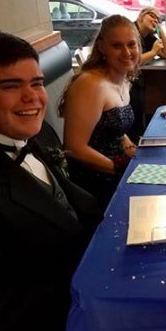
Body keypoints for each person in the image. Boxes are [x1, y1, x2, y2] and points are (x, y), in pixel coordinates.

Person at [0, 31, 102, 331]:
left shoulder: (32, 138)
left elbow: (74, 207)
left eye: (37, 83)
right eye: (10, 86)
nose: (32, 97)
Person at [59, 15, 141, 211]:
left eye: (131, 44)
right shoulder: (90, 84)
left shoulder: (124, 78)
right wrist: (120, 168)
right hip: (93, 182)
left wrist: (135, 154)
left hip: (115, 168)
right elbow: (74, 148)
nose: (126, 52)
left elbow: (116, 131)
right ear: (102, 48)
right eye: (117, 46)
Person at [129, 7, 166, 139]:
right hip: (123, 78)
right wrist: (153, 53)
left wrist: (160, 30)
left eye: (158, 19)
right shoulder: (130, 31)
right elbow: (130, 62)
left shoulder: (148, 37)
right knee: (137, 97)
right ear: (140, 17)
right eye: (152, 15)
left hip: (135, 79)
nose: (155, 19)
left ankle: (137, 135)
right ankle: (134, 137)